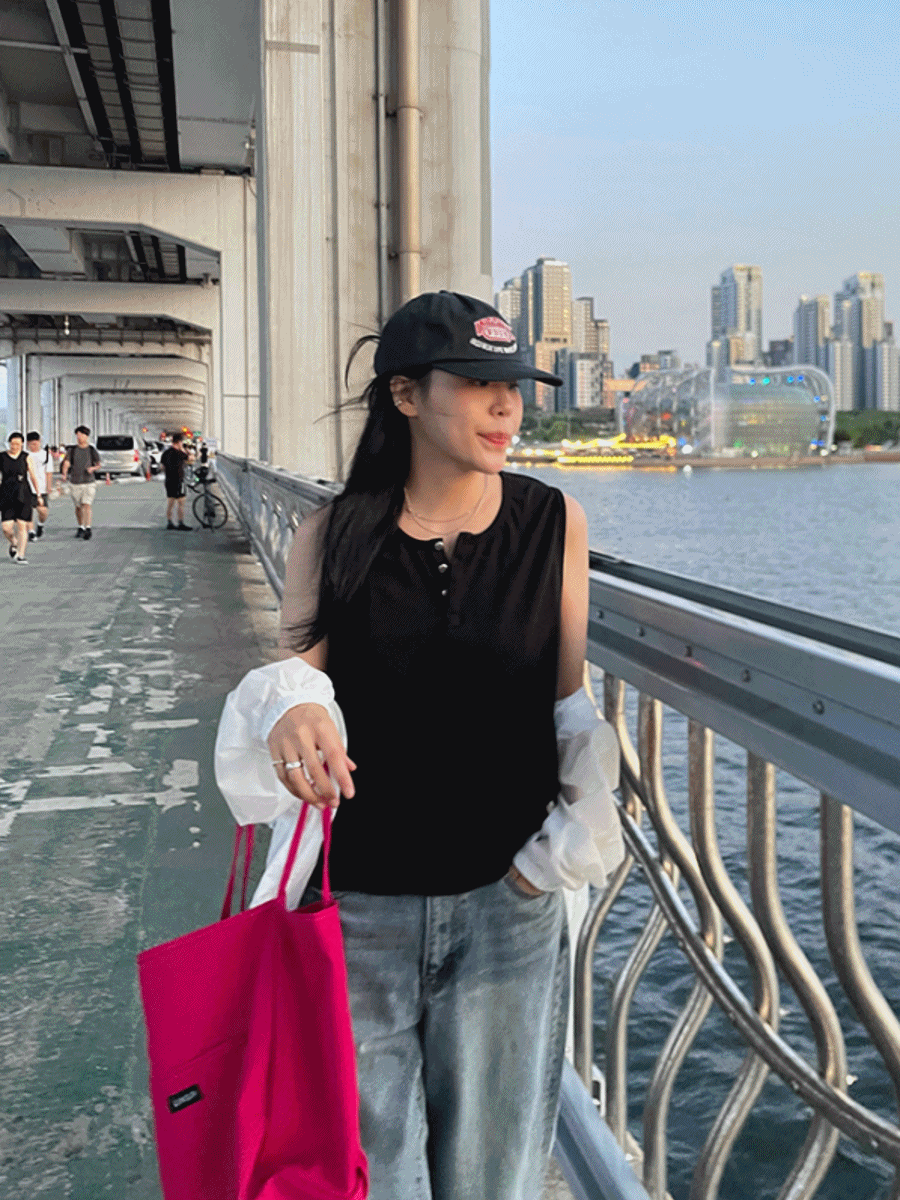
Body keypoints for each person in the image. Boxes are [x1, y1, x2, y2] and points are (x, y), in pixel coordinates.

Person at [259, 291, 625, 1200]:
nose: (507, 406)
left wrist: (545, 866)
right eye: (475, 382)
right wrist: (288, 713)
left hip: (508, 903)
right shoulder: (332, 536)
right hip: (359, 908)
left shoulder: (554, 523)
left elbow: (568, 703)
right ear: (406, 395)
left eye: (515, 386)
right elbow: (293, 686)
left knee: (494, 1172)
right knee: (372, 1170)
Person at [1, 431, 41, 564]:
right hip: (6, 495)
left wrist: (38, 494)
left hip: (23, 494)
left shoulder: (26, 457)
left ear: (22, 444)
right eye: (12, 444)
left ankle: (21, 555)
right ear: (9, 443)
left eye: (18, 444)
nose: (15, 446)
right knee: (6, 528)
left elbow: (33, 476)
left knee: (22, 525)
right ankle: (14, 542)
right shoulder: (2, 457)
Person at [60, 426, 101, 540]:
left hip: (89, 482)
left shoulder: (91, 450)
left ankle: (88, 528)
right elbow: (67, 463)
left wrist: (93, 468)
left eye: (82, 435)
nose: (79, 437)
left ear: (87, 436)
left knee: (86, 504)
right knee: (78, 507)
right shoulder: (72, 450)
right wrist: (64, 474)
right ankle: (81, 526)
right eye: (78, 435)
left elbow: (98, 464)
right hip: (75, 482)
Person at [160, 431, 193, 530]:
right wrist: (185, 449)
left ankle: (169, 523)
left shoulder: (165, 453)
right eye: (181, 442)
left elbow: (161, 467)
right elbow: (191, 458)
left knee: (170, 503)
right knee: (181, 503)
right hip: (178, 481)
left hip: (169, 480)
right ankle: (180, 523)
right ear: (179, 442)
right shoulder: (179, 453)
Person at [26, 431, 52, 542]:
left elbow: (49, 471)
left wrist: (49, 486)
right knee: (28, 511)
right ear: (27, 443)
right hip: (27, 486)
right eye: (31, 444)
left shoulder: (45, 455)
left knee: (43, 511)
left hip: (41, 487)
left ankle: (40, 524)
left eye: (36, 443)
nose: (34, 446)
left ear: (40, 442)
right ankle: (31, 532)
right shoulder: (25, 455)